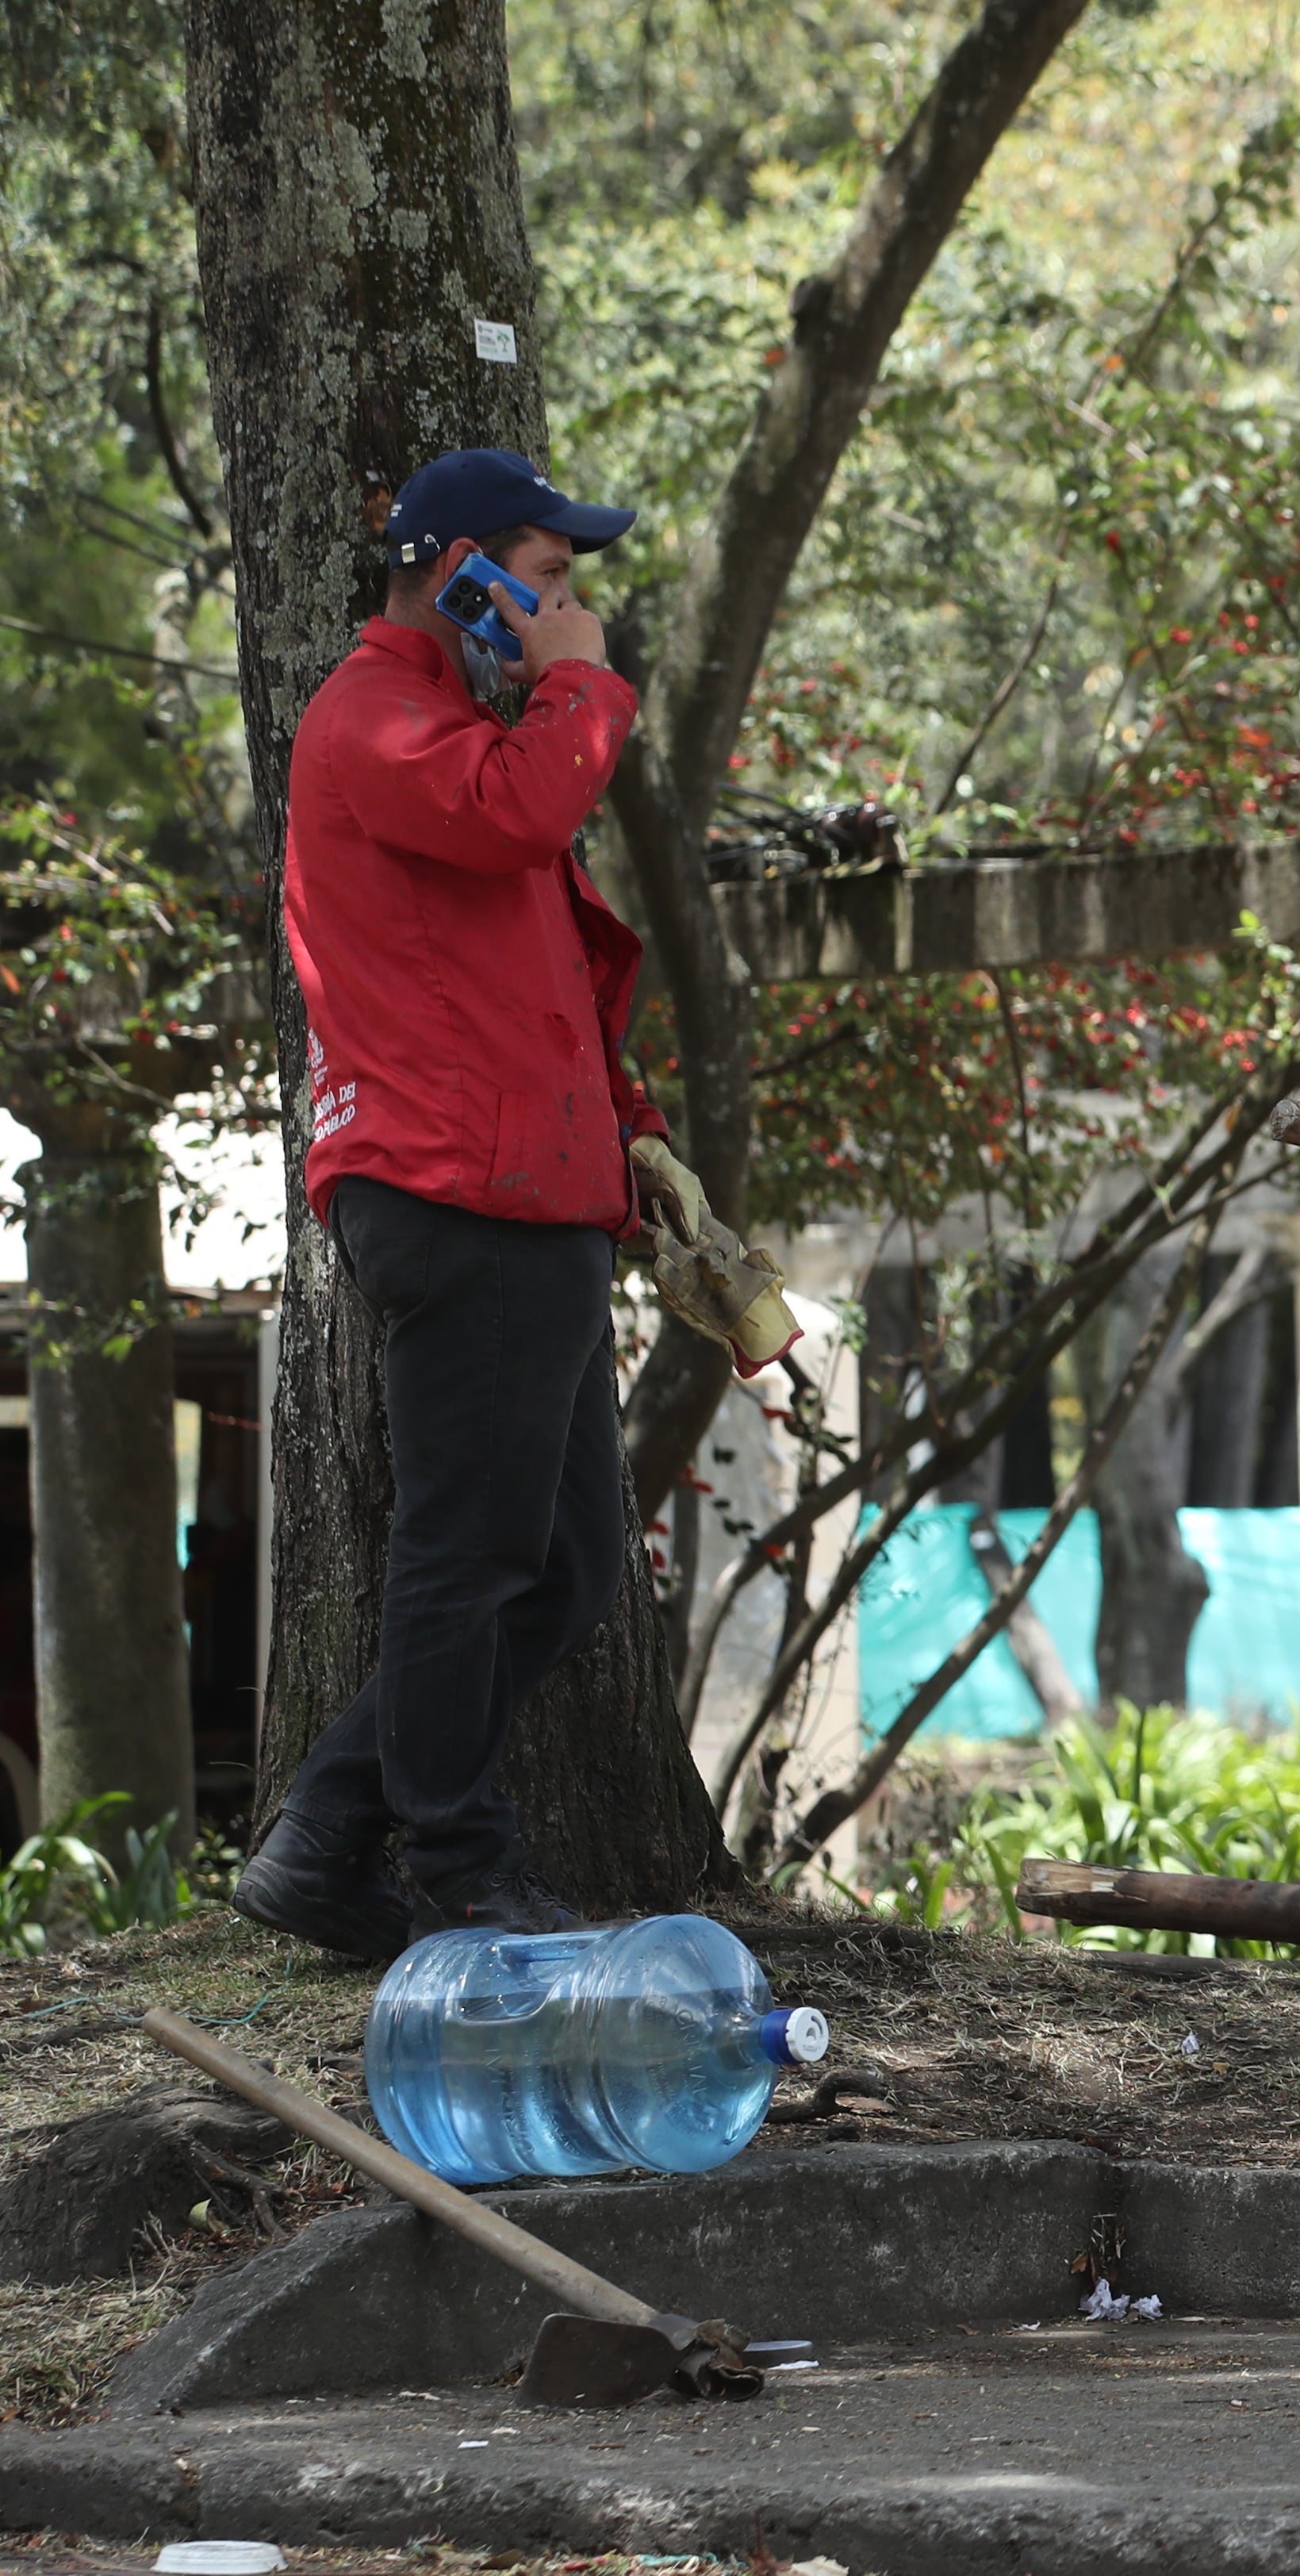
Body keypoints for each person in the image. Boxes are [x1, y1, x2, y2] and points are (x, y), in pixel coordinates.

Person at [231, 447, 719, 1960]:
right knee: (468, 1555)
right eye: (548, 576)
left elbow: (530, 987)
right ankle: (459, 1857)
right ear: (463, 575)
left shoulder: (454, 728)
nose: (570, 610)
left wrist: (630, 1132)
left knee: (567, 1566)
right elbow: (520, 815)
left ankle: (322, 1837)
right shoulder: (375, 719)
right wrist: (587, 686)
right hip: (459, 1197)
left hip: (537, 1198)